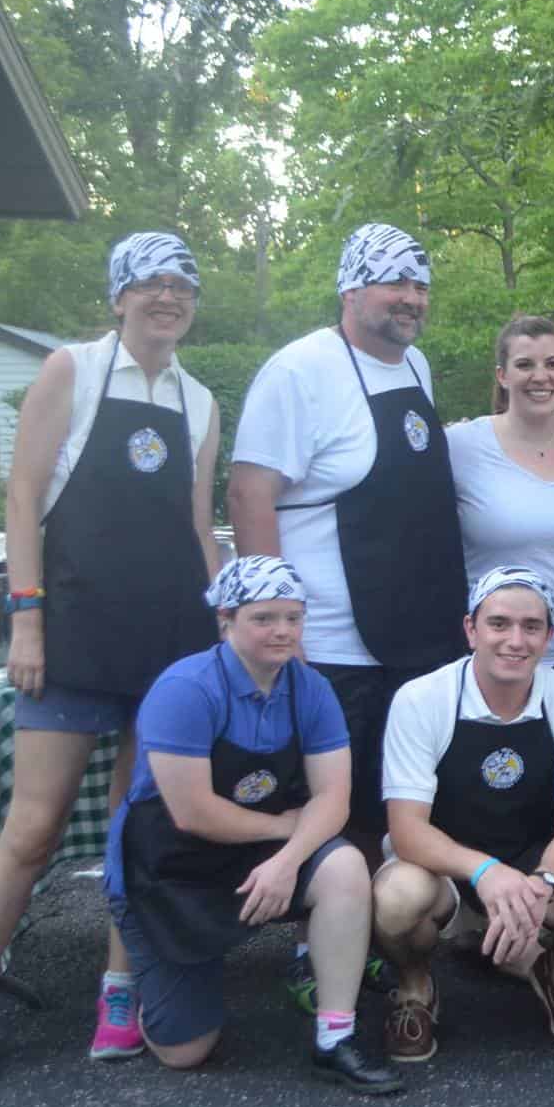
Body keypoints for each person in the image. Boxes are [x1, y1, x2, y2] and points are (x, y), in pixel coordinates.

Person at [0, 232, 220, 1083]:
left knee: (139, 825)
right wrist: (27, 619)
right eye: (150, 284)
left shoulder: (200, 400)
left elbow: (197, 526)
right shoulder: (73, 371)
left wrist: (220, 635)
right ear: (119, 297)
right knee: (34, 827)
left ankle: (120, 992)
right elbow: (23, 496)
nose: (168, 298)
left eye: (182, 286)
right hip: (73, 632)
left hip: (170, 640)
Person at [101, 558, 400, 1093]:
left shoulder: (310, 689)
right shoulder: (185, 688)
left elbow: (334, 798)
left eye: (293, 617)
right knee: (184, 1053)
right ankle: (134, 982)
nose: (282, 631)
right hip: (172, 866)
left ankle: (335, 1037)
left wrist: (288, 861)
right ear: (226, 620)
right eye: (264, 618)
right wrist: (284, 831)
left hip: (259, 853)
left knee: (345, 868)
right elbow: (192, 811)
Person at [227, 222, 466, 885]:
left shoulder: (415, 366)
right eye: (395, 283)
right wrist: (278, 625)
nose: (411, 298)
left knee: (393, 807)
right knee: (331, 815)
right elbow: (249, 493)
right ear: (351, 289)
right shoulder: (299, 370)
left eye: (421, 285)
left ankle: (383, 930)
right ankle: (323, 933)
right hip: (330, 645)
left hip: (412, 641)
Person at [369, 568, 554, 1059]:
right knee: (395, 901)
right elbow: (407, 830)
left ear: (549, 636)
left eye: (531, 627)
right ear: (471, 629)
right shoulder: (421, 699)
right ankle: (415, 988)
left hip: (533, 865)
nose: (515, 640)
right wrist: (485, 871)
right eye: (499, 624)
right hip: (442, 868)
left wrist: (542, 883)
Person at [447, 314, 554, 679]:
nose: (541, 376)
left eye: (553, 364)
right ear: (502, 375)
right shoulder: (460, 445)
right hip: (487, 661)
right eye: (525, 365)